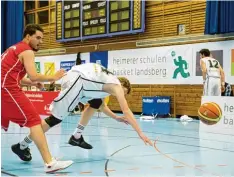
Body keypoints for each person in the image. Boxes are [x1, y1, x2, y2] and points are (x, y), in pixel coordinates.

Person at [12, 62, 153, 160]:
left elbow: (101, 106)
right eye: (123, 91)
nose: (120, 94)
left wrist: (116, 118)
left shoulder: (106, 81)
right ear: (122, 84)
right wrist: (140, 133)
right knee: (54, 119)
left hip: (79, 80)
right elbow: (127, 110)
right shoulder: (116, 85)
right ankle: (22, 145)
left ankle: (77, 136)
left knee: (96, 102)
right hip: (77, 81)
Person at [1, 24, 73, 173]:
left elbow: (14, 75)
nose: (40, 41)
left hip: (5, 86)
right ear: (28, 36)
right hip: (6, 89)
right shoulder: (27, 51)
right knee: (34, 120)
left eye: (42, 38)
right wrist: (53, 77)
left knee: (34, 121)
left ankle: (25, 149)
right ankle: (49, 163)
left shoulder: (13, 48)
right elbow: (33, 75)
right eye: (37, 38)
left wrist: (33, 82)